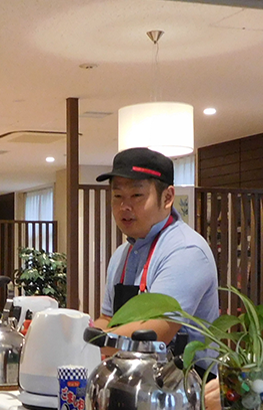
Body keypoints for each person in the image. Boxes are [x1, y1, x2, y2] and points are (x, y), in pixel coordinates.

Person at [93, 147, 219, 357]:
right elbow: (107, 319)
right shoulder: (122, 255)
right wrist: (76, 335)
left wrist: (87, 343)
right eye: (117, 196)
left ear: (168, 197)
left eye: (136, 195)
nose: (125, 206)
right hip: (133, 377)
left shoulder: (185, 251)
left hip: (185, 382)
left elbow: (155, 332)